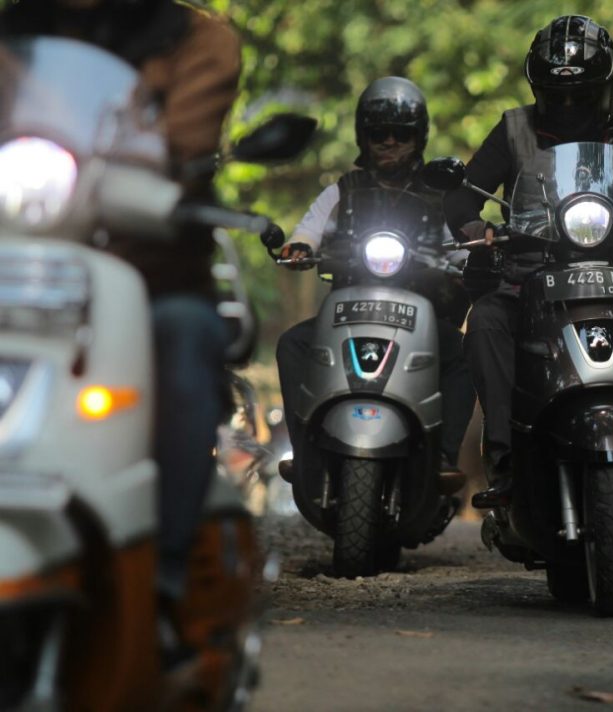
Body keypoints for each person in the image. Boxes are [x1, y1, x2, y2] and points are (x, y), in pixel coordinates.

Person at [0, 0, 241, 654]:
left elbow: (185, 147)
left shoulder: (196, 40)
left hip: (152, 276)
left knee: (185, 337)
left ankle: (164, 580)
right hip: (20, 275)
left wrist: (169, 176)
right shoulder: (15, 35)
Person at [444, 15, 613, 501]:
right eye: (556, 95)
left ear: (607, 87)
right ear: (538, 90)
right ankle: (506, 459)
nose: (568, 107)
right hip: (530, 284)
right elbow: (463, 195)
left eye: (582, 95)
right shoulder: (514, 129)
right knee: (485, 320)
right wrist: (474, 227)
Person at [275, 76, 475, 488]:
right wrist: (298, 247)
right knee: (291, 344)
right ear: (363, 137)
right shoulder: (342, 191)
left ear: (418, 138)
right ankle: (306, 451)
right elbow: (308, 230)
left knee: (467, 352)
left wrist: (473, 263)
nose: (389, 142)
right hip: (349, 314)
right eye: (378, 133)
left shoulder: (439, 195)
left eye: (400, 133)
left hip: (420, 320)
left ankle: (443, 454)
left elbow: (461, 247)